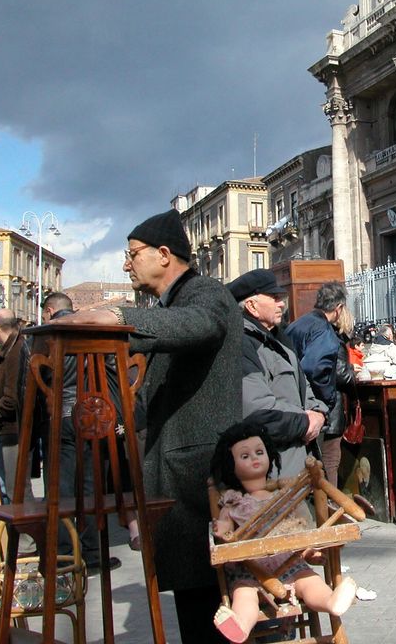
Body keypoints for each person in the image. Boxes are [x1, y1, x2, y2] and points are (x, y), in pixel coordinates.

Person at [60, 208, 242, 643]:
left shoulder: (205, 293)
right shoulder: (170, 305)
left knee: (211, 613)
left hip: (200, 484)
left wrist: (121, 318)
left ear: (164, 254)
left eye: (132, 254)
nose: (126, 264)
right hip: (178, 485)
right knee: (196, 610)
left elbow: (200, 326)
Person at [210, 421, 356, 643]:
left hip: (292, 562)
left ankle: (331, 601)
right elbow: (227, 531)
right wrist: (221, 529)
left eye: (259, 452)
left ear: (270, 454)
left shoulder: (284, 495)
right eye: (245, 456)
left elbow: (299, 526)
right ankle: (240, 625)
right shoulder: (233, 501)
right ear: (231, 465)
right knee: (244, 595)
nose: (255, 458)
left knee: (310, 582)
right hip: (251, 572)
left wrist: (309, 552)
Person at [40, 291, 124, 572]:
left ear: (50, 311)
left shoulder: (47, 335)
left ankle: (63, 553)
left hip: (60, 417)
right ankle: (92, 553)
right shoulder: (87, 332)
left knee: (62, 488)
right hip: (90, 416)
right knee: (91, 487)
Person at [231, 268, 328, 481]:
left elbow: (303, 386)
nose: (282, 303)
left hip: (299, 462)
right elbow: (257, 410)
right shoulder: (242, 343)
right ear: (252, 305)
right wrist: (305, 422)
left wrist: (319, 412)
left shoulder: (278, 338)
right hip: (273, 472)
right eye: (274, 298)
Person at [285, 282, 349, 487]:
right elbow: (314, 368)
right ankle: (328, 512)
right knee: (324, 461)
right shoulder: (323, 330)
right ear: (338, 309)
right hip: (312, 405)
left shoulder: (298, 323)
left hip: (292, 400)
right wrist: (326, 402)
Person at [0, 309, 34, 503]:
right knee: (16, 487)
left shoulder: (15, 350)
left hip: (14, 428)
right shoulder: (14, 347)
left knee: (17, 490)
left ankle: (25, 533)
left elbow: (12, 397)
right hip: (13, 427)